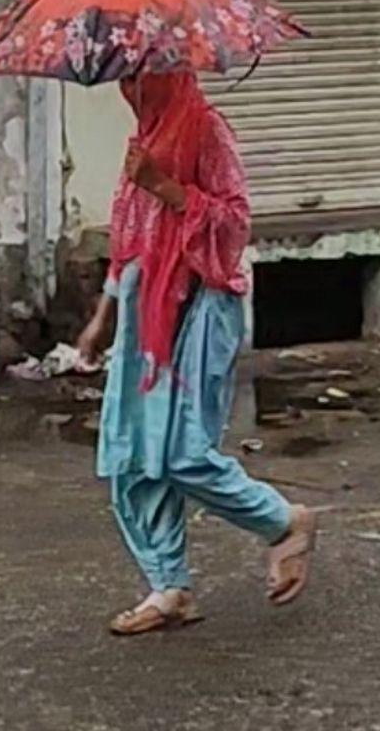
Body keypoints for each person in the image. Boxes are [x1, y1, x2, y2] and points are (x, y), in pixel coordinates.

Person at [77, 69, 317, 636]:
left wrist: (164, 186)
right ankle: (169, 587)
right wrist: (101, 319)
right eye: (124, 78)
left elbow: (234, 222)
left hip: (199, 308)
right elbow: (128, 241)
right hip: (145, 314)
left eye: (141, 77)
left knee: (182, 451)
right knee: (135, 458)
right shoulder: (146, 138)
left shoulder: (206, 130)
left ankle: (284, 521)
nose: (130, 90)